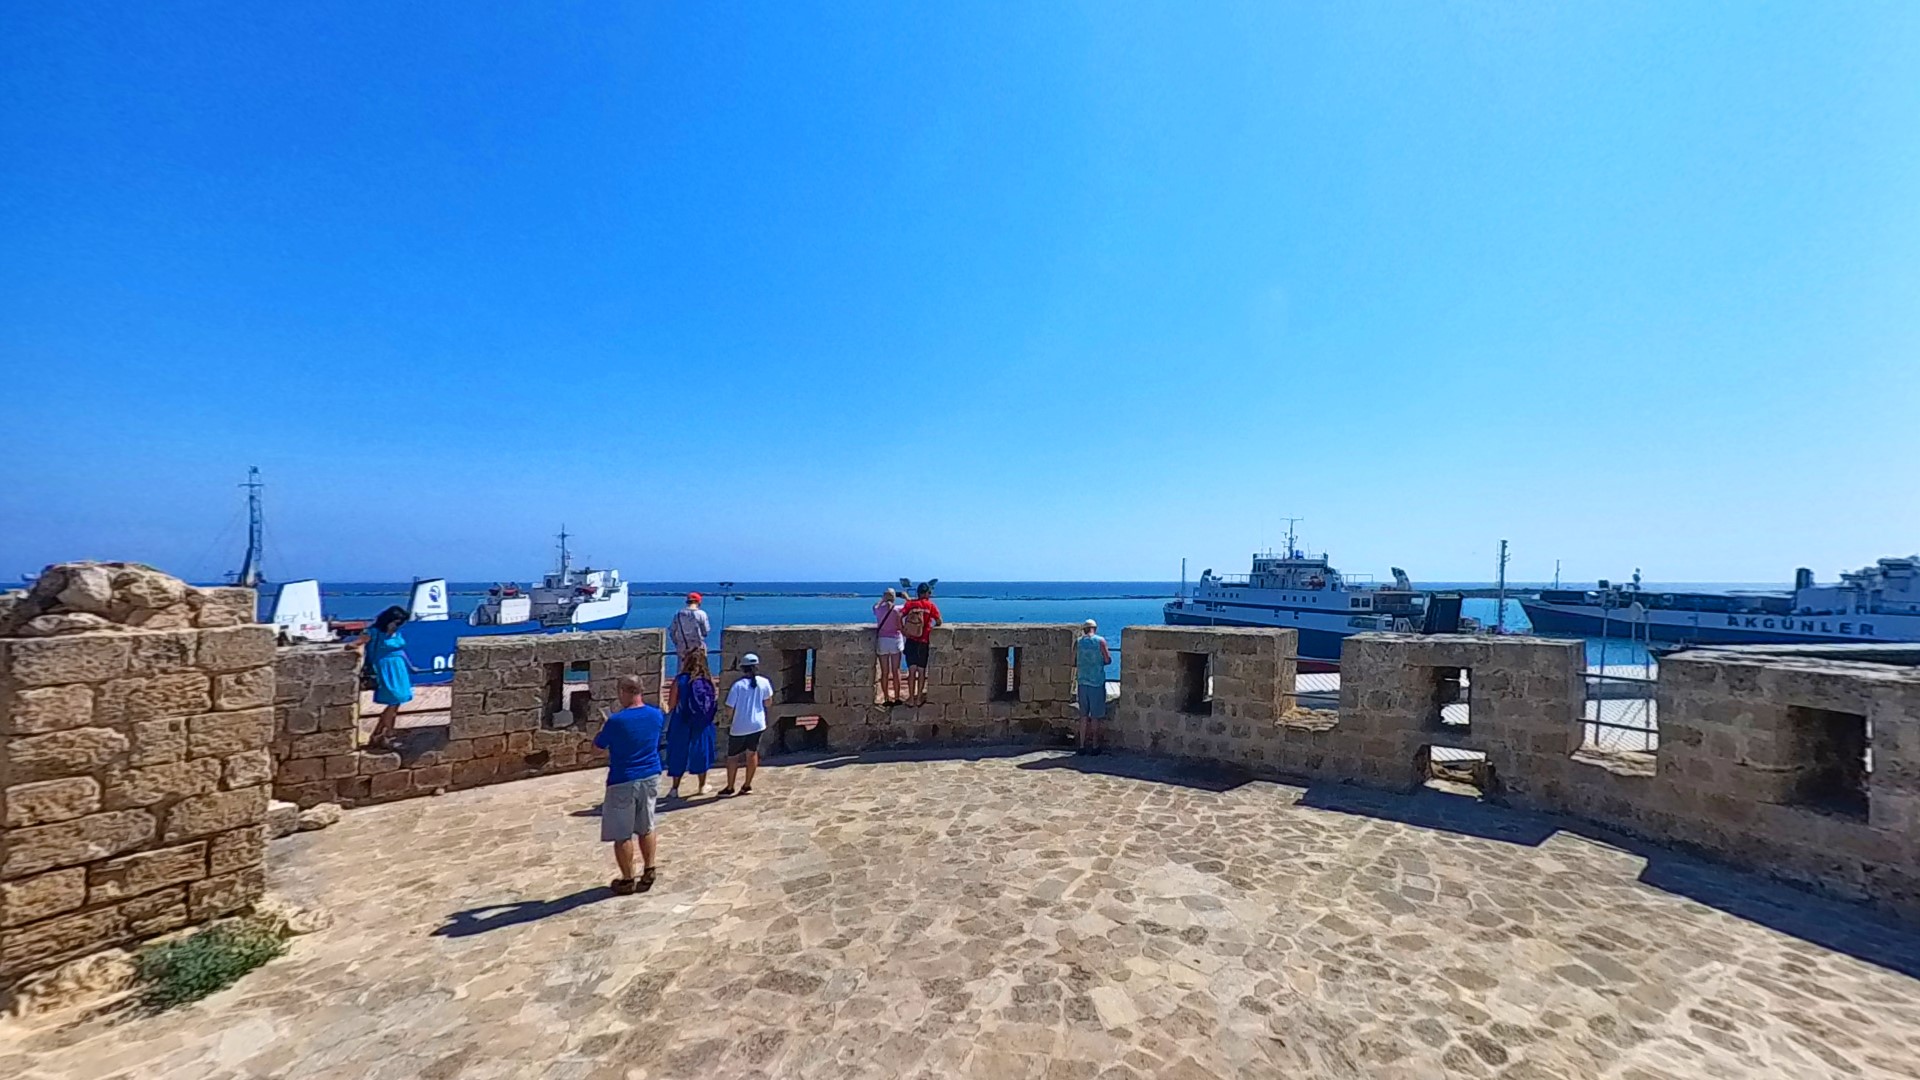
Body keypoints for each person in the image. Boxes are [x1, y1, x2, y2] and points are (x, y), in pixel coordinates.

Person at [594, 674, 665, 895]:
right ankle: (649, 869)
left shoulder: (616, 721)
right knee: (647, 826)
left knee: (622, 833)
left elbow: (597, 749)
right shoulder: (656, 715)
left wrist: (604, 727)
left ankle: (627, 880)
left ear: (623, 692)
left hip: (623, 778)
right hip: (651, 774)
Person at [663, 648, 718, 799]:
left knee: (678, 751)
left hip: (681, 720)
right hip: (702, 722)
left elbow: (671, 704)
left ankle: (675, 788)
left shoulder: (680, 680)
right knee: (702, 749)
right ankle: (702, 785)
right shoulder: (707, 680)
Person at [356, 606, 413, 751]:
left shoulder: (396, 633)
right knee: (394, 700)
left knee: (396, 702)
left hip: (398, 668)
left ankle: (377, 735)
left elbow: (399, 651)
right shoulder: (374, 632)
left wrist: (410, 666)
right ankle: (389, 735)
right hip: (384, 669)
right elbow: (358, 643)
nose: (398, 626)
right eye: (396, 623)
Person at [720, 652, 772, 796]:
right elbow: (768, 703)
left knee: (733, 757)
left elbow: (729, 708)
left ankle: (730, 787)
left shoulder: (738, 686)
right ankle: (747, 785)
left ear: (742, 668)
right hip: (758, 725)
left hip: (740, 726)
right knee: (752, 753)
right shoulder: (764, 682)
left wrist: (729, 719)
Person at [900, 583, 943, 706]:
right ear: (926, 593)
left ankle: (910, 699)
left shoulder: (910, 604)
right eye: (929, 593)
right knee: (921, 671)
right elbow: (939, 621)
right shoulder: (930, 605)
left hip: (911, 640)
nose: (930, 595)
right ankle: (918, 698)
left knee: (911, 671)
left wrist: (903, 630)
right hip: (923, 641)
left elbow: (899, 615)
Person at [1075, 619, 1113, 754]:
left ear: (1084, 630)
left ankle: (1081, 746)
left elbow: (1074, 660)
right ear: (1095, 629)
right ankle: (1095, 746)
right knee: (1095, 716)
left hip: (1082, 682)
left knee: (1083, 716)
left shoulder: (1078, 642)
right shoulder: (1100, 641)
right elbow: (1108, 659)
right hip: (1096, 683)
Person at [873, 588, 906, 706]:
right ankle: (897, 697)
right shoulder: (898, 609)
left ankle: (886, 698)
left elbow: (875, 606)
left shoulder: (878, 609)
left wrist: (882, 600)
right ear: (894, 597)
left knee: (885, 672)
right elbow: (911, 606)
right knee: (896, 671)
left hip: (883, 640)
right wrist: (906, 597)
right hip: (895, 640)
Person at [668, 593, 711, 666]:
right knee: (699, 669)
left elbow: (672, 631)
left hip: (682, 649)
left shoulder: (678, 614)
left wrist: (677, 643)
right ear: (699, 602)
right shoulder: (701, 614)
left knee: (683, 669)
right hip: (697, 648)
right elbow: (705, 632)